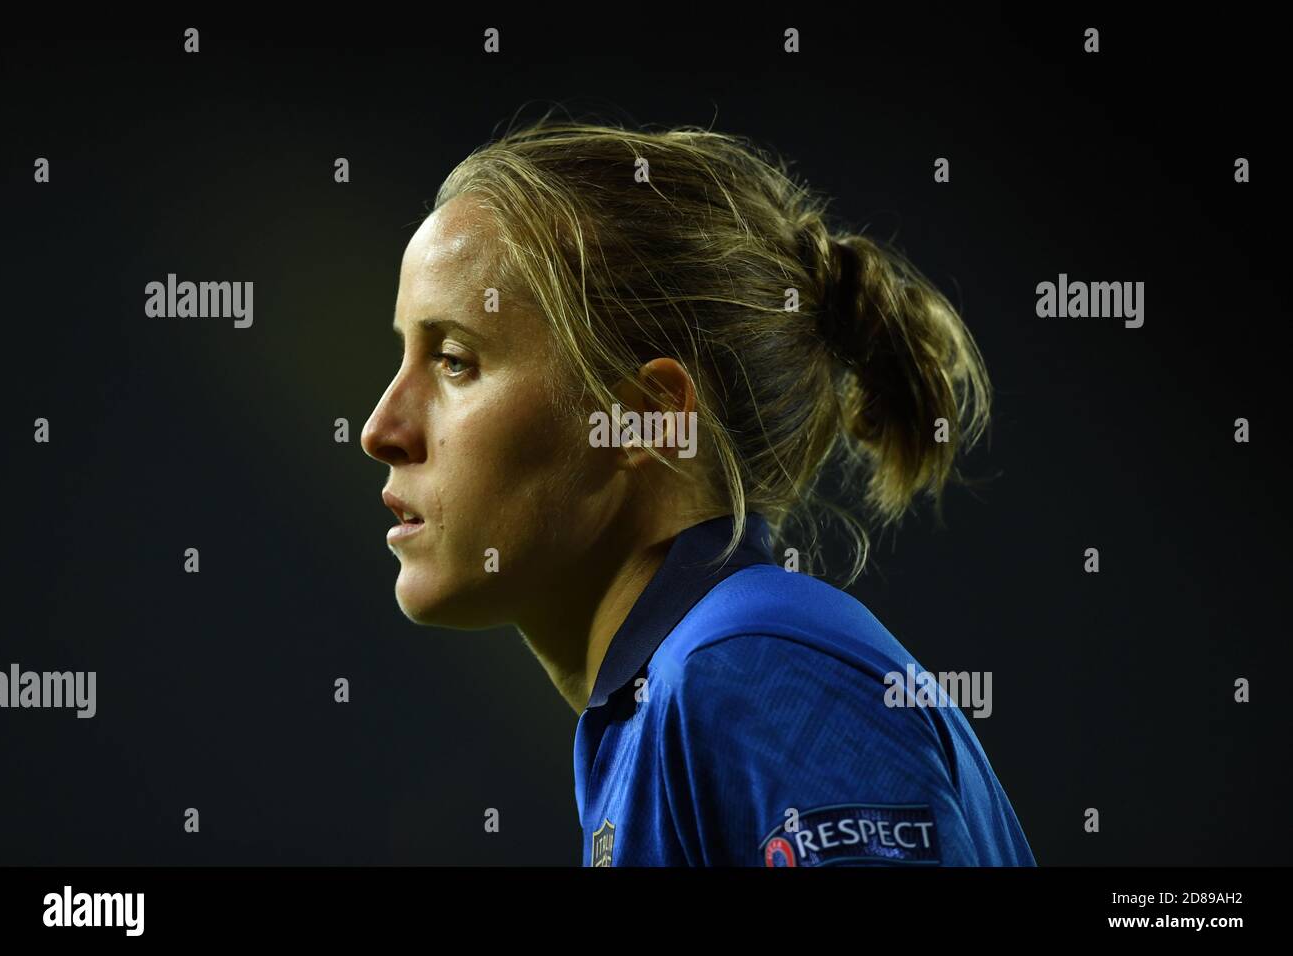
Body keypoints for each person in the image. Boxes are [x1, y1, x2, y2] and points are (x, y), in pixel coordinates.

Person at [360, 115, 1035, 866]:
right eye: (404, 356)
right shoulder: (670, 701)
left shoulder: (752, 670)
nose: (380, 427)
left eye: (455, 361)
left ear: (644, 422)